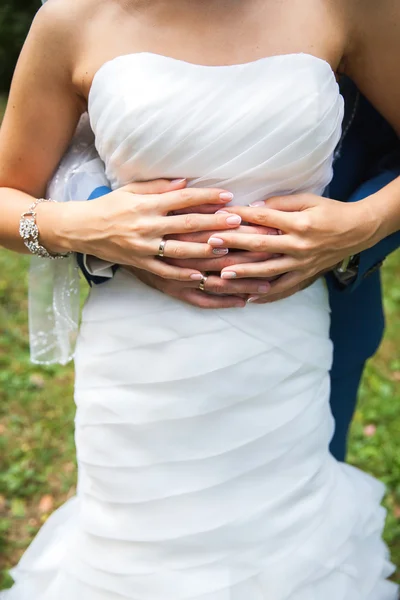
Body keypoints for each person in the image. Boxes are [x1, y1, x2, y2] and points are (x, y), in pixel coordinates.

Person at [1, 1, 400, 598]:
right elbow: (10, 189)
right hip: (140, 365)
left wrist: (363, 223)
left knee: (289, 550)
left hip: (288, 341)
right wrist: (81, 227)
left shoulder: (347, 6)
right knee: (138, 555)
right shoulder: (72, 18)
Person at [76, 77, 400, 462]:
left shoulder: (364, 15)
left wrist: (361, 224)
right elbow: (66, 134)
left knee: (301, 495)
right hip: (141, 337)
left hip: (319, 324)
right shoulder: (79, 19)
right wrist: (101, 219)